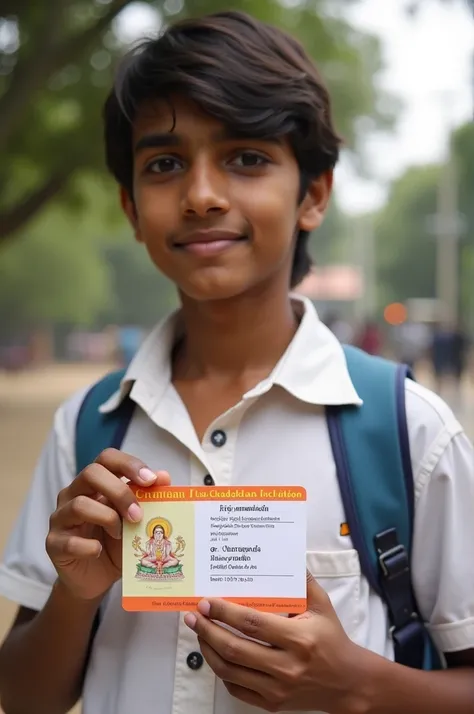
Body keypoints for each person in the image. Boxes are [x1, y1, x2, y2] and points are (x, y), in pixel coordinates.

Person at [0, 11, 473, 714]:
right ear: (131, 208)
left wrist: (358, 683)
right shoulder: (89, 429)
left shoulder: (408, 434)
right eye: (164, 164)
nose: (201, 195)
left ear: (313, 194)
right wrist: (75, 591)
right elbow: (23, 693)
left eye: (246, 158)